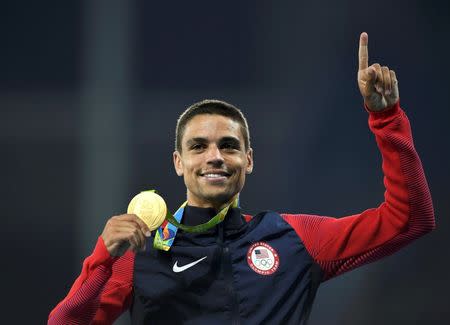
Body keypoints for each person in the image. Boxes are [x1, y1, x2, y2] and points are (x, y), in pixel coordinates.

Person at [48, 32, 435, 324]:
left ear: (248, 161)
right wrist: (101, 260)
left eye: (228, 146)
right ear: (178, 163)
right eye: (199, 147)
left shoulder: (295, 240)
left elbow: (410, 219)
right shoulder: (141, 256)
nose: (215, 156)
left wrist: (387, 119)